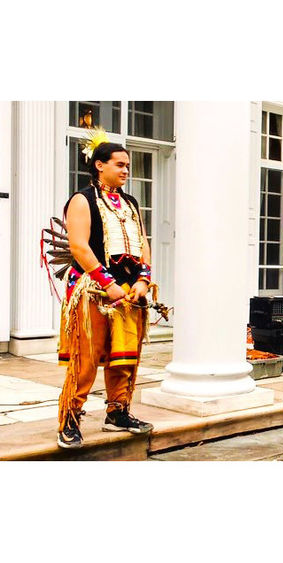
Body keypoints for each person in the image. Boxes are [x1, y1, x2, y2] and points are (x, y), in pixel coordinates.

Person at [56, 131, 155, 449]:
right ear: (99, 165)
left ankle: (118, 413)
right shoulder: (81, 200)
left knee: (124, 358)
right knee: (86, 359)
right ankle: (69, 420)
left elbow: (143, 243)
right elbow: (79, 247)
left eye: (128, 166)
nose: (126, 170)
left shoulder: (130, 202)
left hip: (128, 291)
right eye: (120, 165)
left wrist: (143, 280)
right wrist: (107, 284)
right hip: (93, 290)